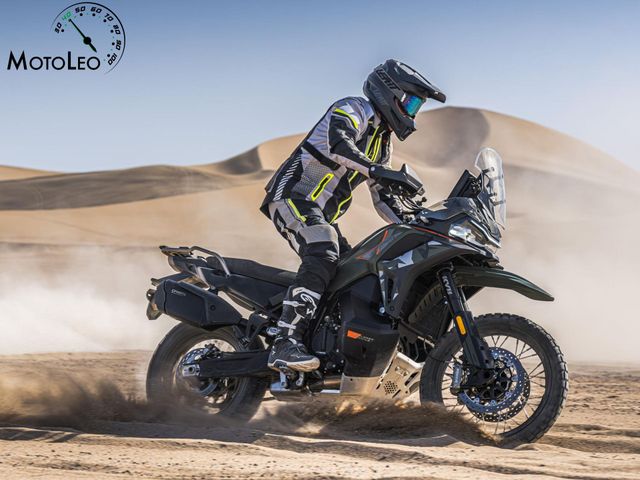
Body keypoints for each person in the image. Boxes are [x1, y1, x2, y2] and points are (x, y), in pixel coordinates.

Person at [260, 59, 446, 372]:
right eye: (411, 102)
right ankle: (285, 341)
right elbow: (338, 145)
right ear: (390, 92)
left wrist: (418, 225)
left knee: (356, 273)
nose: (412, 113)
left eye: (417, 107)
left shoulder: (382, 144)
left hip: (322, 216)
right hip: (292, 197)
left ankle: (326, 347)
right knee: (323, 250)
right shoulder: (354, 109)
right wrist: (379, 171)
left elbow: (383, 199)